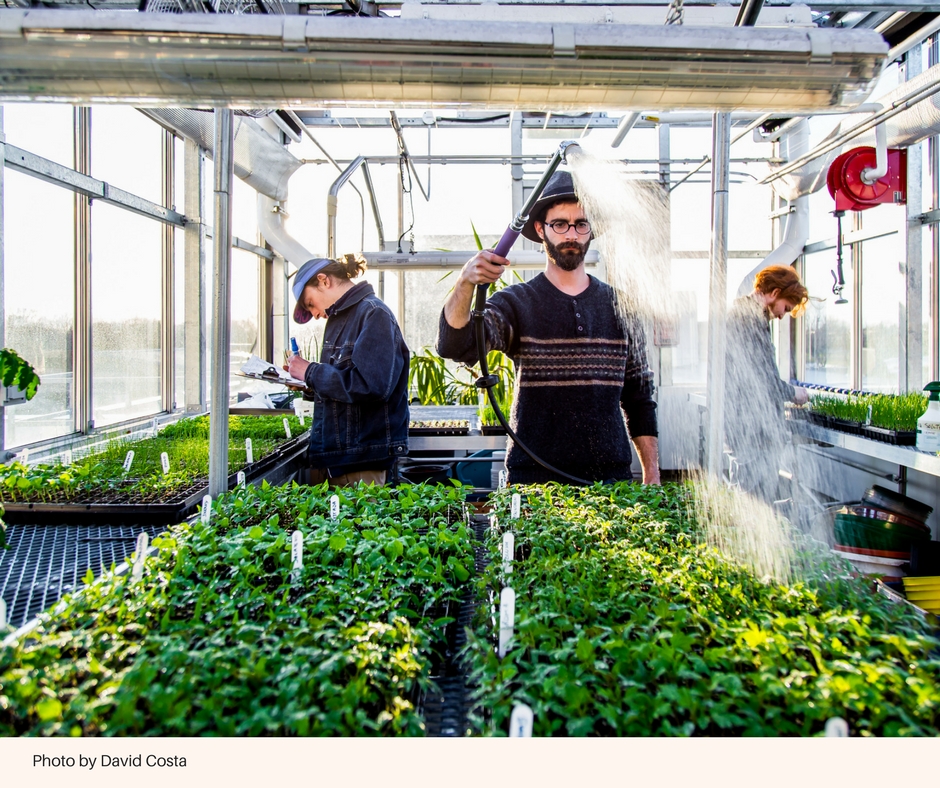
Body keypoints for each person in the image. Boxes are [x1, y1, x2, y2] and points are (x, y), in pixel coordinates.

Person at [436, 170, 660, 486]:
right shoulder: (516, 304)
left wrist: (651, 474)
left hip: (610, 478)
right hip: (534, 479)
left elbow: (639, 397)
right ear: (541, 229)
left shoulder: (622, 306)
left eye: (581, 224)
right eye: (560, 224)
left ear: (591, 230)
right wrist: (464, 283)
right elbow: (454, 345)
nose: (571, 234)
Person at [286, 254, 409, 487]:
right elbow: (346, 388)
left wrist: (311, 371)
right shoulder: (344, 319)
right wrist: (308, 384)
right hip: (341, 457)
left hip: (360, 462)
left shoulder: (373, 314)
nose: (314, 314)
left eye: (310, 304)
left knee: (360, 523)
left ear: (323, 280)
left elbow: (371, 386)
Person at [724, 264, 810, 501]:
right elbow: (762, 381)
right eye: (785, 307)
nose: (782, 314)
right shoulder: (747, 321)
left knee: (747, 501)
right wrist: (794, 393)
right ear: (774, 292)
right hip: (751, 433)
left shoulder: (748, 317)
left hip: (749, 432)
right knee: (754, 504)